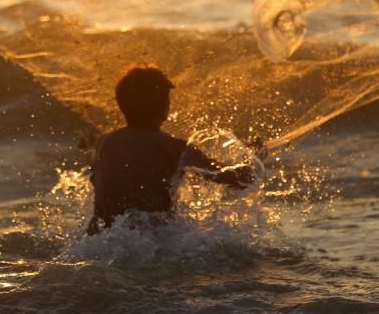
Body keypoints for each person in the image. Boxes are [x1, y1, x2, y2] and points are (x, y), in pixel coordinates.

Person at [86, 65, 253, 234]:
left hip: (101, 236)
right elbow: (230, 178)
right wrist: (252, 160)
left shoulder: (103, 143)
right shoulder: (175, 148)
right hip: (154, 238)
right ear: (164, 107)